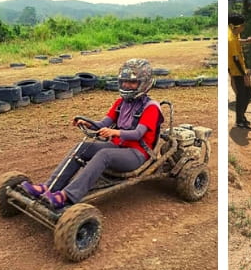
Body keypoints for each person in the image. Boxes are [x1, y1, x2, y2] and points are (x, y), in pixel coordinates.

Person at [19, 58, 163, 209]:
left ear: (144, 83)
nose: (126, 85)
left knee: (104, 154)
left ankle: (66, 196)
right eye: (124, 81)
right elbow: (103, 124)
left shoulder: (151, 108)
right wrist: (88, 123)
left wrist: (114, 132)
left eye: (132, 82)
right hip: (118, 147)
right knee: (82, 147)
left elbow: (138, 134)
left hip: (137, 154)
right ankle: (48, 187)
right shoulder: (120, 103)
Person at [228, 13, 251, 130]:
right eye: (242, 26)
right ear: (235, 26)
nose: (243, 28)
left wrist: (246, 41)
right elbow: (235, 59)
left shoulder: (234, 32)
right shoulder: (230, 39)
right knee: (243, 95)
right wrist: (243, 74)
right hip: (236, 70)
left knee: (247, 94)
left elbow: (238, 41)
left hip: (240, 68)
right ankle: (239, 120)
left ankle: (241, 117)